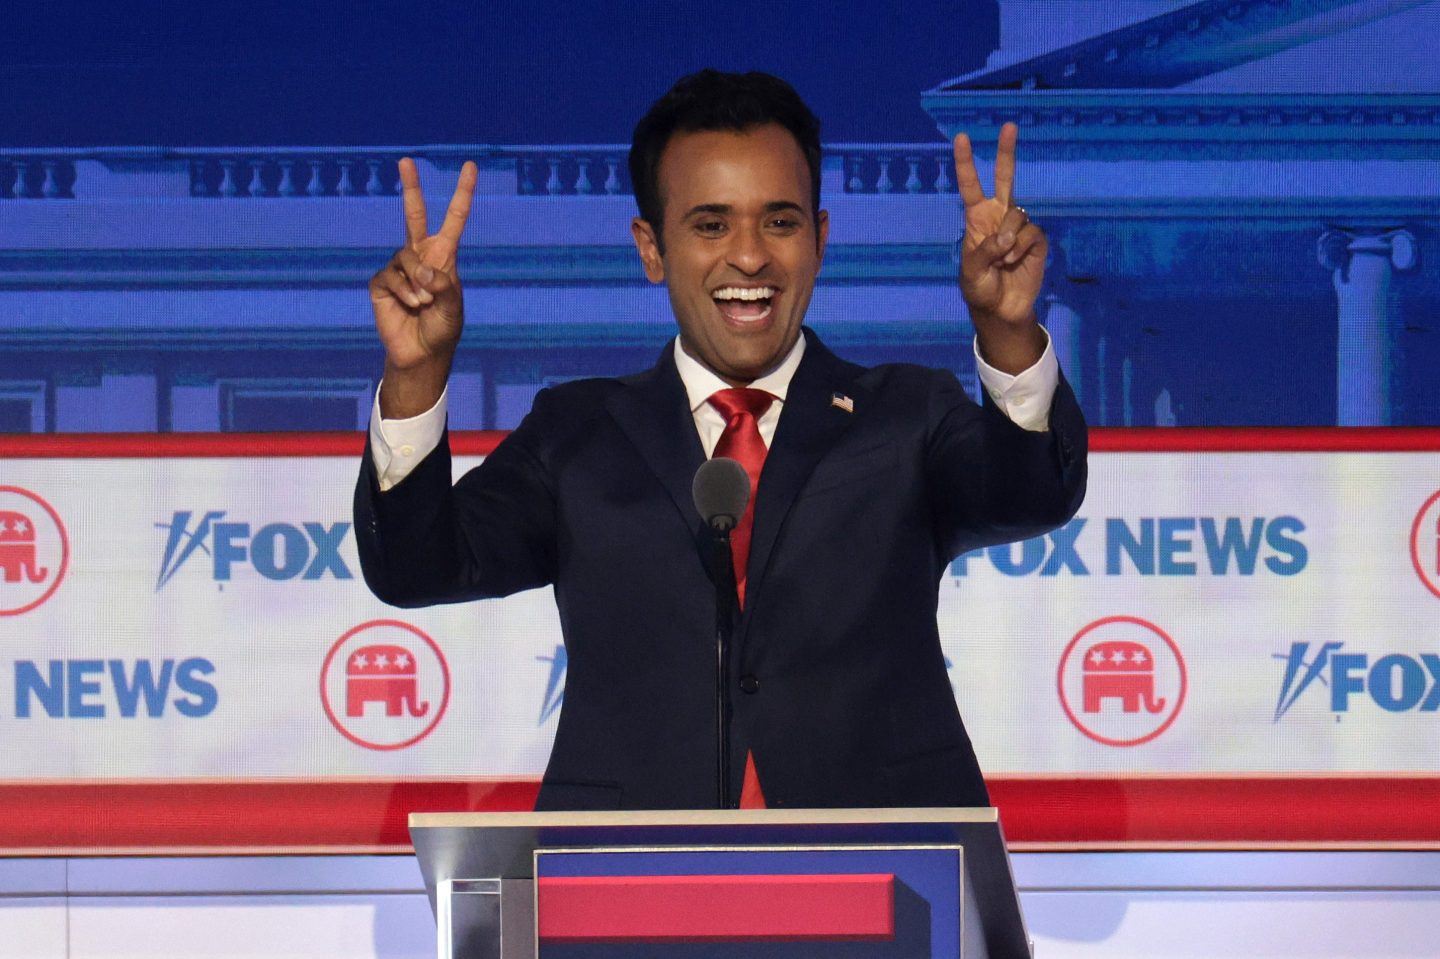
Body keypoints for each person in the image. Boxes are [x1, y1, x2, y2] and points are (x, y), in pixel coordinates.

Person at [354, 70, 1086, 810]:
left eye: (780, 221)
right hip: (629, 880)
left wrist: (1006, 331)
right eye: (711, 225)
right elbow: (416, 565)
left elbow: (1031, 492)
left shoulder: (904, 414)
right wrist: (416, 373)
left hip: (881, 874)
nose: (749, 258)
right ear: (651, 248)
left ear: (820, 238)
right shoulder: (578, 433)